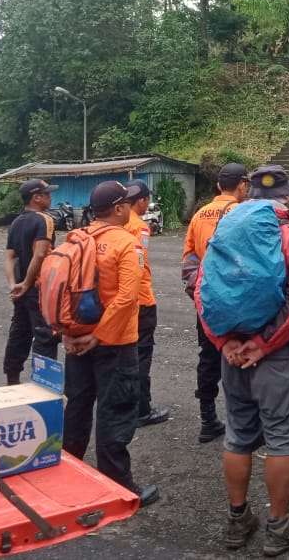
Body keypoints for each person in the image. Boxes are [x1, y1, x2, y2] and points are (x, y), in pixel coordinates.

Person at [194, 165, 289, 556]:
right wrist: (264, 344)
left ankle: (238, 520)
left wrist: (223, 343)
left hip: (232, 351)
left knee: (238, 434)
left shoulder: (225, 230)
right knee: (281, 440)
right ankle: (280, 527)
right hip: (280, 353)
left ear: (249, 194)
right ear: (288, 194)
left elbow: (203, 289)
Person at [62, 180, 159, 506]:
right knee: (115, 410)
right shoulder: (126, 243)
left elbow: (60, 288)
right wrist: (99, 335)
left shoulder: (77, 238)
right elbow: (128, 297)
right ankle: (117, 485)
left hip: (77, 340)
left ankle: (69, 474)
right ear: (119, 208)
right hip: (115, 342)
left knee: (76, 406)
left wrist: (69, 332)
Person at [182, 162, 250, 443]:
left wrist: (198, 291)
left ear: (219, 185)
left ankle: (207, 418)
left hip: (207, 298)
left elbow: (188, 257)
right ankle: (244, 422)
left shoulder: (199, 215)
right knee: (243, 355)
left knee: (208, 356)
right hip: (236, 298)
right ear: (242, 185)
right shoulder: (243, 212)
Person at [2, 179, 61, 385]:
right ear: (37, 198)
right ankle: (43, 385)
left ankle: (12, 379)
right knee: (45, 335)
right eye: (46, 194)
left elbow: (10, 257)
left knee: (20, 331)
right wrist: (27, 283)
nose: (50, 197)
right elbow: (40, 254)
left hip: (20, 289)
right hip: (38, 288)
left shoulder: (16, 222)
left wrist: (14, 285)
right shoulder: (44, 219)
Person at [124, 180, 171, 428]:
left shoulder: (114, 220)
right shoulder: (140, 227)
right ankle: (142, 409)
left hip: (117, 300)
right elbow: (138, 266)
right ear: (141, 200)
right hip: (140, 299)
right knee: (142, 354)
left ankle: (124, 404)